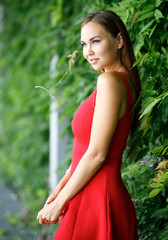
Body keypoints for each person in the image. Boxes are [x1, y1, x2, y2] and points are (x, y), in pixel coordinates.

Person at [37, 10, 141, 240]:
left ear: (119, 40)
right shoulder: (123, 81)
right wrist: (59, 191)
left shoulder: (110, 81)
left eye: (96, 41)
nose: (88, 52)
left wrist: (60, 202)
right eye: (84, 44)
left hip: (95, 199)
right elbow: (85, 151)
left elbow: (97, 154)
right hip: (92, 194)